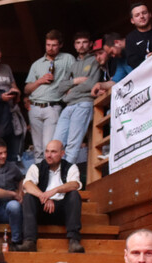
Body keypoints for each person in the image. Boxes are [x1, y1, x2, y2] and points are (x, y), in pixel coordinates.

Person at [20, 139, 84, 253]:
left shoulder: (70, 167)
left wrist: (54, 190)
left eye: (53, 152)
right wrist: (44, 197)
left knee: (74, 194)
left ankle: (74, 240)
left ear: (62, 153)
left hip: (62, 212)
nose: (49, 155)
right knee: (28, 197)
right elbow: (27, 184)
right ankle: (29, 241)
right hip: (42, 210)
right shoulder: (36, 167)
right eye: (47, 151)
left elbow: (75, 184)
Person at [24, 30, 76, 163]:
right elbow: (26, 89)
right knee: (37, 148)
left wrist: (70, 90)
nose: (50, 48)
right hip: (34, 107)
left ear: (60, 45)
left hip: (52, 106)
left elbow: (75, 77)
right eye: (48, 45)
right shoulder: (37, 64)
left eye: (54, 45)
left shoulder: (67, 58)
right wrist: (39, 81)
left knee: (49, 146)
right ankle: (40, 179)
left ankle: (51, 177)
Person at [54, 32, 101, 165]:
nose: (81, 45)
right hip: (69, 106)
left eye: (84, 42)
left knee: (73, 144)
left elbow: (91, 84)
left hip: (84, 104)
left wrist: (71, 92)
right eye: (78, 43)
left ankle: (66, 176)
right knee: (56, 142)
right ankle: (55, 174)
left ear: (90, 44)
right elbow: (60, 87)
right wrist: (75, 81)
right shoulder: (73, 65)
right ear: (74, 45)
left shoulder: (94, 60)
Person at [126, 3, 152, 69]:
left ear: (150, 14)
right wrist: (146, 59)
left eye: (144, 13)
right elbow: (131, 61)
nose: (142, 16)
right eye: (137, 15)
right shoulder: (130, 38)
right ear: (132, 20)